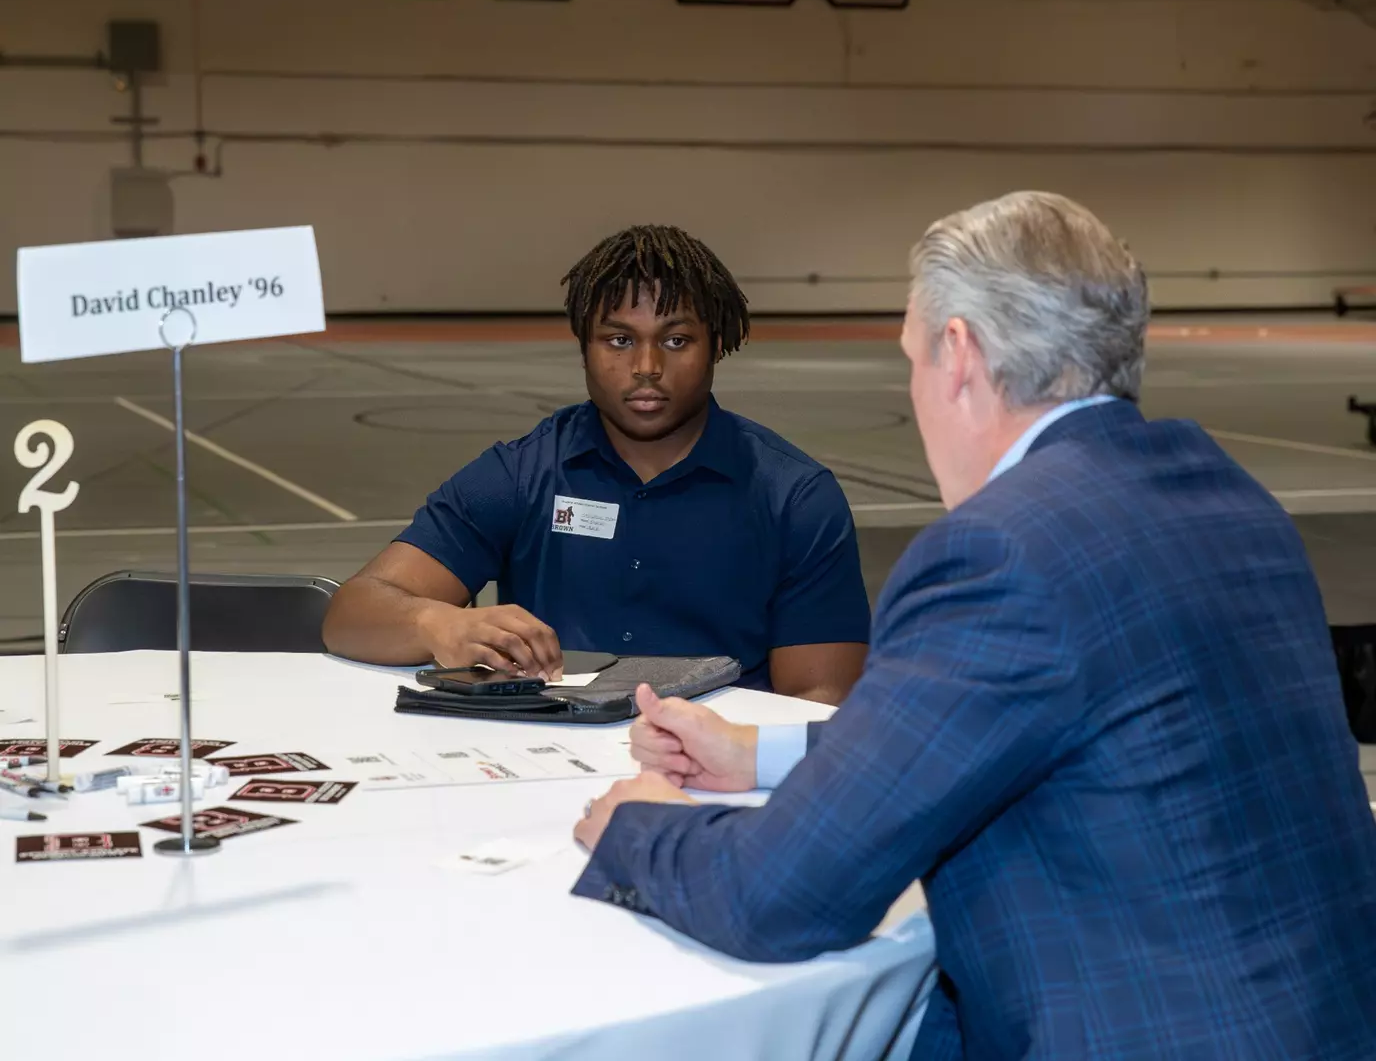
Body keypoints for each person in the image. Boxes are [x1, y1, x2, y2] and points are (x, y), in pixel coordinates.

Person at [571, 193, 1376, 1059]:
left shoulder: (1000, 550)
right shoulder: (1228, 497)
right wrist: (758, 753)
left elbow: (780, 898)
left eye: (912, 359)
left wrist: (640, 825)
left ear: (957, 354)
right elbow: (1033, 723)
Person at [322, 224, 870, 704]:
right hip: (547, 757)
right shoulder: (521, 474)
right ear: (584, 345)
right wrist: (437, 622)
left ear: (716, 345)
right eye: (619, 340)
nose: (647, 366)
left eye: (677, 340)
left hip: (715, 764)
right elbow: (351, 613)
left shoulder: (794, 498)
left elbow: (819, 702)